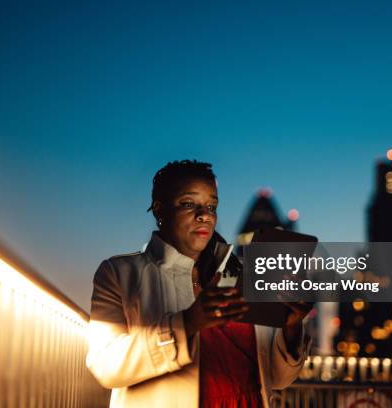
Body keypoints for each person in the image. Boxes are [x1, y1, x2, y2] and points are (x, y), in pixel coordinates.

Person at [87, 160, 311, 408]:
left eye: (211, 206)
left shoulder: (245, 275)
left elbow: (277, 379)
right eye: (188, 203)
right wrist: (187, 324)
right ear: (160, 209)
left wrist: (292, 327)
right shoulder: (119, 274)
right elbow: (105, 367)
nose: (204, 215)